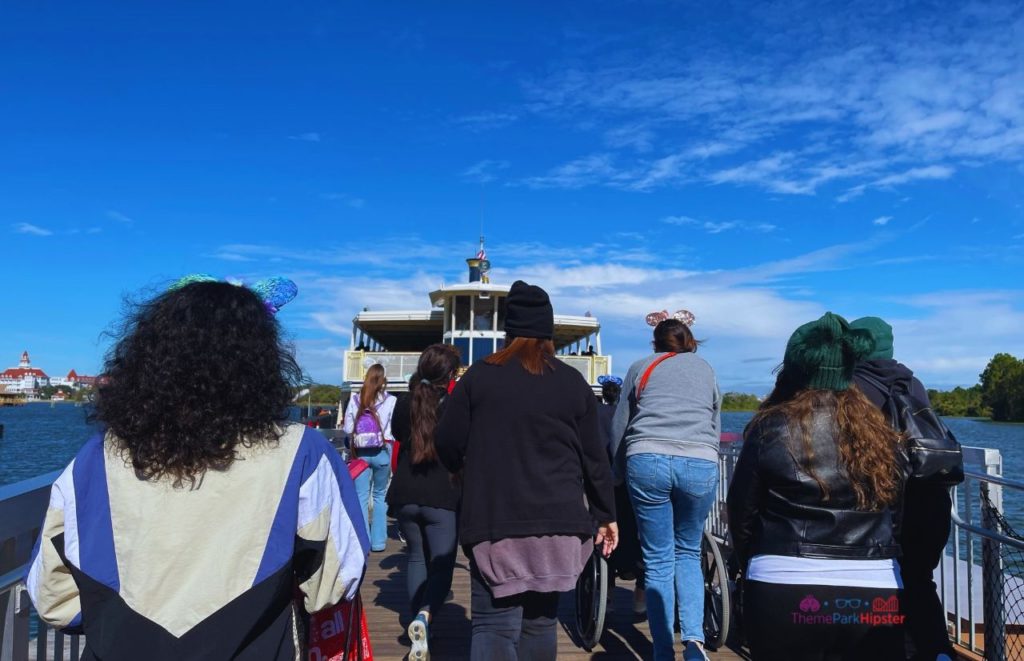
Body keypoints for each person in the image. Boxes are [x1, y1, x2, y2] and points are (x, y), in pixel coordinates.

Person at [26, 279, 369, 660]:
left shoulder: (95, 458)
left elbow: (52, 598)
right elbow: (336, 581)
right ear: (261, 362)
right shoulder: (302, 453)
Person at [436, 280, 618, 661]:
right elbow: (594, 458)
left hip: (495, 521)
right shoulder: (572, 382)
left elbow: (447, 442)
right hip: (560, 525)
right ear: (548, 331)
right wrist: (605, 515)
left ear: (509, 329)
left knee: (493, 625)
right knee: (540, 623)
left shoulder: (479, 377)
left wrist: (464, 471)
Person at [727, 312, 906, 661]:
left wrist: (752, 563)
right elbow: (896, 511)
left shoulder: (769, 427)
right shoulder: (881, 433)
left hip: (783, 584)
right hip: (875, 589)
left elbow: (741, 513)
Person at [610, 317, 721, 661]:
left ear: (655, 343)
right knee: (687, 552)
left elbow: (620, 426)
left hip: (648, 458)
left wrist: (616, 473)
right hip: (700, 461)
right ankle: (694, 643)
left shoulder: (641, 367)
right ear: (689, 341)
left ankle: (661, 651)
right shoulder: (705, 369)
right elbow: (714, 421)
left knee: (657, 559)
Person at [850, 316, 957, 661]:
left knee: (882, 586)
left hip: (888, 508)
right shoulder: (913, 383)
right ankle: (939, 651)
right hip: (931, 501)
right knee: (921, 581)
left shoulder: (852, 388)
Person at [387, 344, 463, 661]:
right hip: (441, 495)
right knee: (442, 564)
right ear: (451, 375)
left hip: (406, 492)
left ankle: (418, 621)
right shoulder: (454, 405)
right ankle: (424, 617)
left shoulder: (405, 402)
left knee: (416, 557)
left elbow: (395, 433)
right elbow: (460, 446)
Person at [597, 375, 647, 616]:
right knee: (642, 535)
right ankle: (640, 597)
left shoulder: (597, 415)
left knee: (606, 534)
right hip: (633, 478)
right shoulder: (631, 414)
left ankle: (607, 595)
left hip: (607, 481)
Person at [343, 363, 397, 552]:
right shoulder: (391, 401)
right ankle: (378, 542)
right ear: (383, 381)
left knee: (361, 496)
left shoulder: (356, 400)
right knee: (380, 495)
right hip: (383, 450)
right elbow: (393, 431)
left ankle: (362, 541)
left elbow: (348, 429)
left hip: (361, 454)